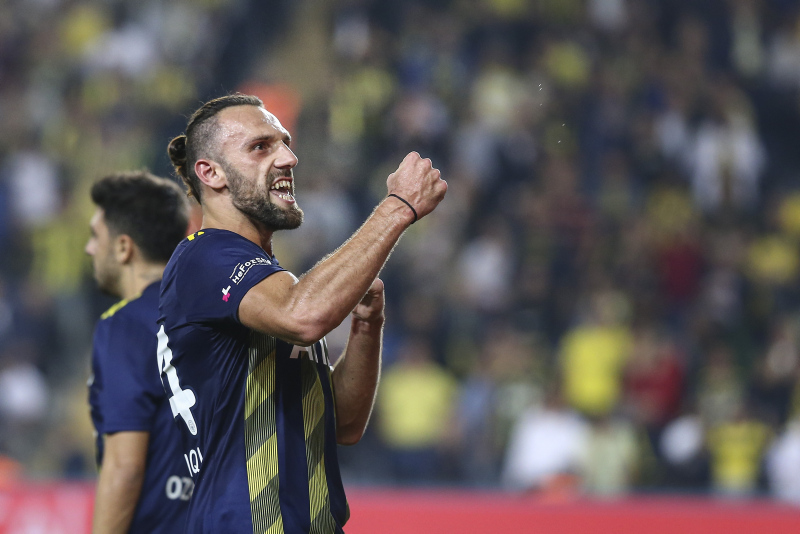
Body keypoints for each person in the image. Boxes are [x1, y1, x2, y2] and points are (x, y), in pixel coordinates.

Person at [159, 93, 446, 533]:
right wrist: (398, 206)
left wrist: (366, 325)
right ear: (210, 173)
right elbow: (304, 316)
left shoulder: (263, 288)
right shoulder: (205, 257)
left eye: (285, 143)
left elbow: (344, 424)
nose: (289, 158)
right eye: (260, 146)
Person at [86, 171, 191, 533]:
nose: (89, 249)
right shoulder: (214, 313)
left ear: (123, 247)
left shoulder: (124, 326)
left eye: (95, 236)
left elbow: (124, 467)